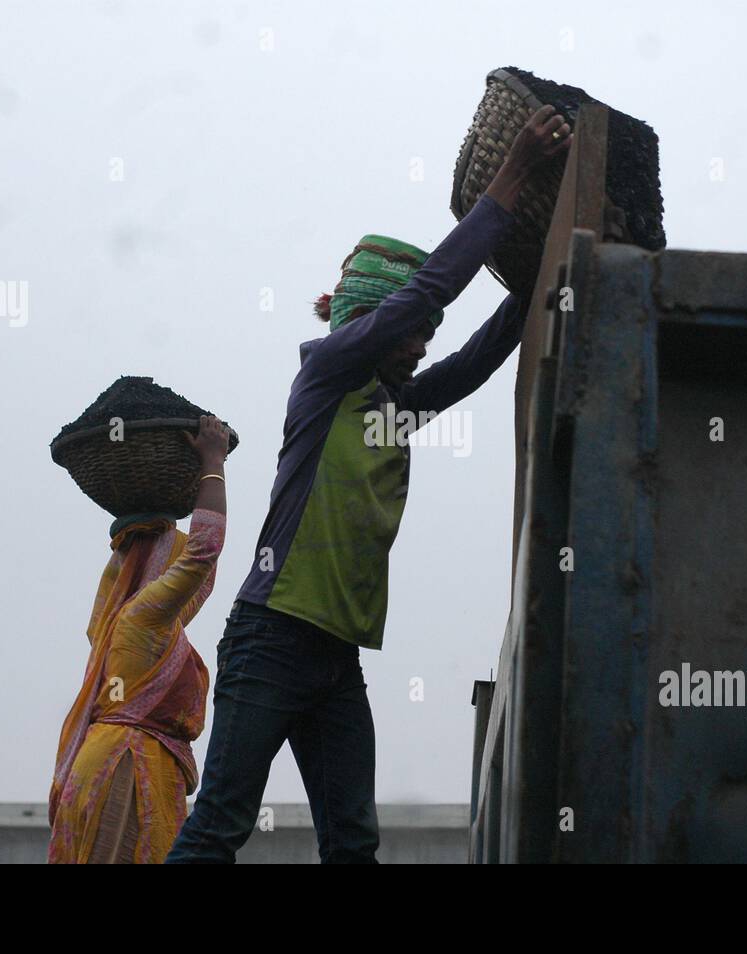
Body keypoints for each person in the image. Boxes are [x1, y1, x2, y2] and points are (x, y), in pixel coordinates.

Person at [166, 105, 571, 864]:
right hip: (272, 638)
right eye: (411, 334)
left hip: (334, 657)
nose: (423, 347)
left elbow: (478, 358)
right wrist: (514, 170)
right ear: (369, 323)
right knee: (220, 825)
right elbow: (426, 297)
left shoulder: (395, 407)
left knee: (353, 845)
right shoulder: (328, 377)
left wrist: (542, 267)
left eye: (423, 338)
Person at [48, 415, 231, 863]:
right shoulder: (142, 620)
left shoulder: (118, 626)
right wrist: (212, 461)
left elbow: (201, 577)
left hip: (115, 765)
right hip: (125, 772)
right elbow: (204, 552)